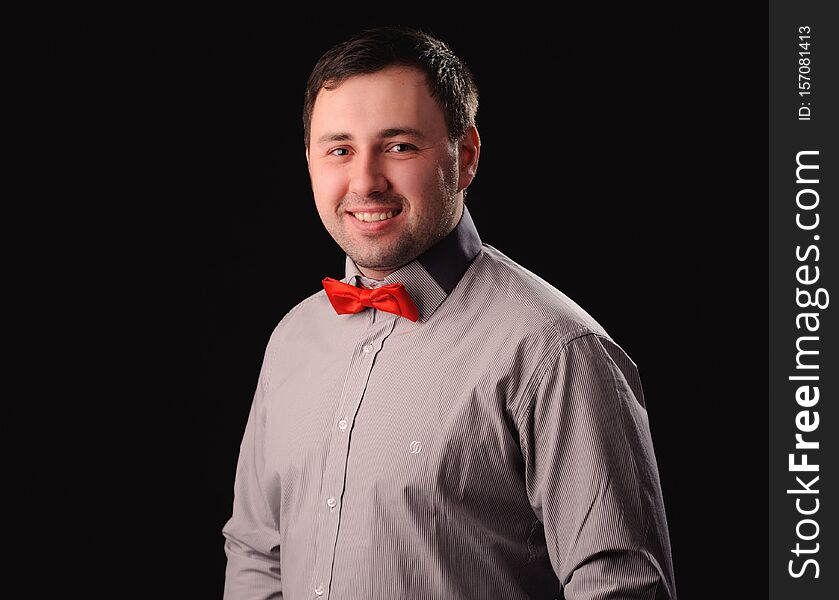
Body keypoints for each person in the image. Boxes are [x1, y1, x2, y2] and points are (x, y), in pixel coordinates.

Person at [222, 25, 677, 600]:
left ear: (465, 158)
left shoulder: (555, 351)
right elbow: (258, 554)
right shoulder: (291, 340)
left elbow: (623, 589)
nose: (365, 181)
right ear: (310, 162)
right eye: (339, 149)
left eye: (399, 146)